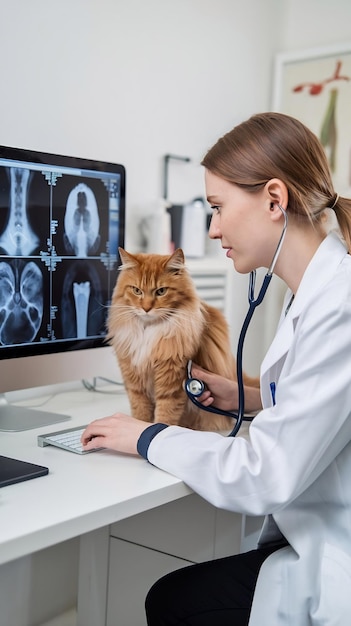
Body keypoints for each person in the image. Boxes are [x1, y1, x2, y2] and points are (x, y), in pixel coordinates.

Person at [82, 112, 351, 625]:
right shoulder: (320, 292)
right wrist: (243, 398)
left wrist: (145, 437)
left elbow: (267, 474)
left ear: (275, 199)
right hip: (313, 526)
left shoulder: (340, 305)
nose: (212, 228)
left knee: (171, 600)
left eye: (218, 208)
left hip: (333, 558)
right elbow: (327, 409)